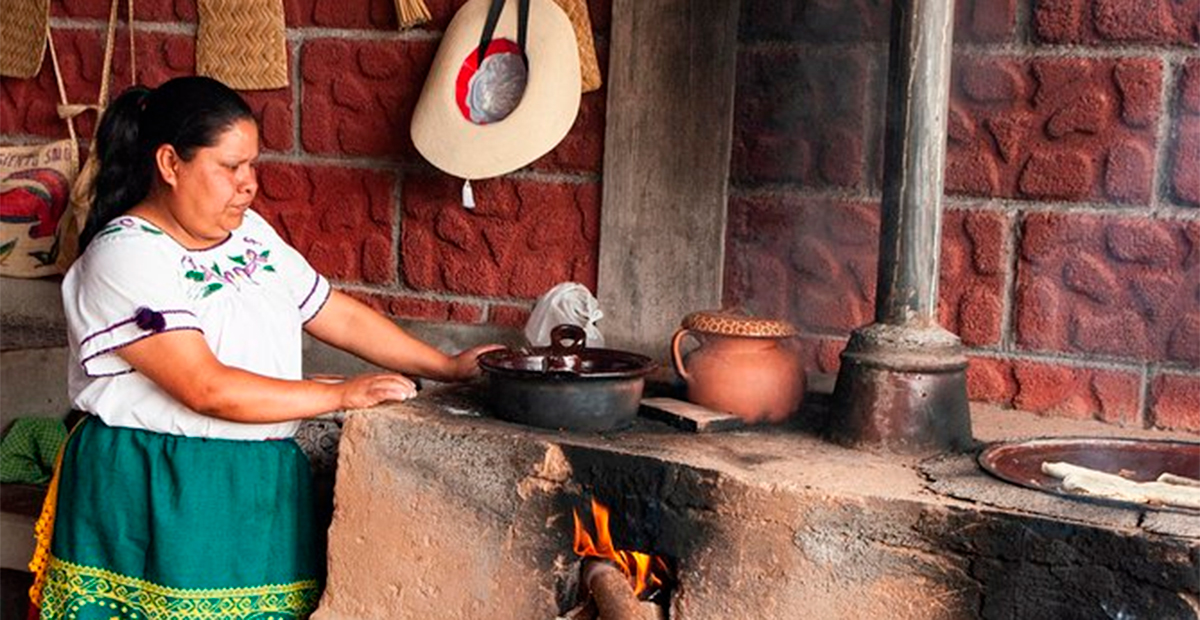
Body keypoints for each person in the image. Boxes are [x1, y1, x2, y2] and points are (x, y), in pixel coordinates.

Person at [28, 76, 501, 620]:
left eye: (252, 165)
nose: (248, 184)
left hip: (256, 483)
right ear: (169, 163)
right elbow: (205, 388)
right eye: (230, 167)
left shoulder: (251, 234)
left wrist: (446, 366)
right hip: (158, 488)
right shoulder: (125, 257)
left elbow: (332, 311)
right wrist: (338, 394)